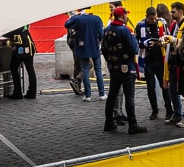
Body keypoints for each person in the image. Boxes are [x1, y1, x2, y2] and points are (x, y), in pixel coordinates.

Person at [100, 7, 148, 135]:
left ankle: (109, 122)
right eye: (126, 14)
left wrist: (110, 61)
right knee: (129, 96)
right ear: (123, 16)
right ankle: (133, 124)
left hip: (114, 67)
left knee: (112, 95)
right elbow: (133, 49)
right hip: (127, 67)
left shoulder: (107, 30)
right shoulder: (124, 30)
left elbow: (103, 49)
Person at [64, 8, 106, 101]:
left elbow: (66, 25)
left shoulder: (78, 19)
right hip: (95, 47)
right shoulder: (97, 18)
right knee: (98, 70)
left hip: (83, 47)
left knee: (85, 70)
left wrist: (73, 17)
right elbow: (101, 34)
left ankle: (88, 95)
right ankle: (102, 94)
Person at [136, 7, 166, 120]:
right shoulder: (140, 25)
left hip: (160, 59)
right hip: (147, 60)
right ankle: (154, 110)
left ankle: (169, 109)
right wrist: (146, 43)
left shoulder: (161, 23)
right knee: (150, 87)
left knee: (164, 86)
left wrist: (161, 42)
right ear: (146, 16)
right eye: (151, 19)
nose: (153, 21)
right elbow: (136, 41)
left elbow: (166, 37)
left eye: (155, 18)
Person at [166, 2, 184, 126]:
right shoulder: (173, 25)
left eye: (174, 12)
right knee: (173, 90)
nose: (171, 14)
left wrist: (175, 40)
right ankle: (177, 113)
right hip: (173, 61)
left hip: (183, 63)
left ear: (181, 12)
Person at [3, 24, 37, 100]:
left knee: (14, 68)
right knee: (30, 69)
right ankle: (32, 93)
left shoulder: (19, 21)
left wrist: (4, 34)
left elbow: (17, 30)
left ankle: (18, 93)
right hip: (29, 45)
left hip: (21, 47)